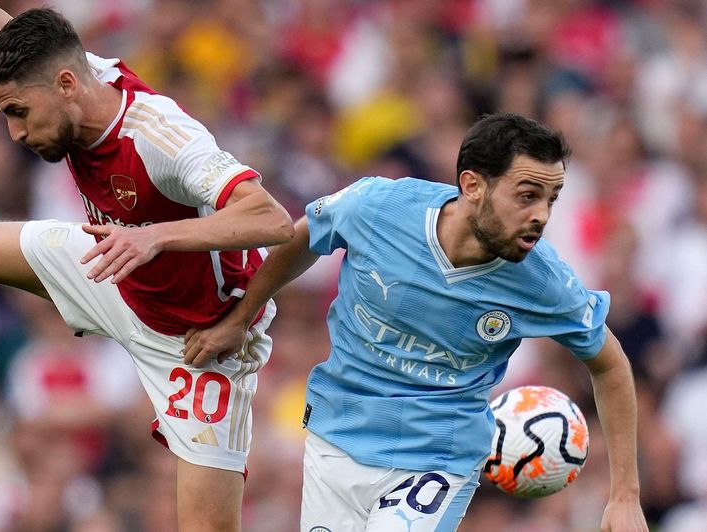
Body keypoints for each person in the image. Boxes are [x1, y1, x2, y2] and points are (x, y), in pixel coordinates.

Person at [0, 2, 294, 531]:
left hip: (203, 338)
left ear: (66, 86)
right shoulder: (67, 72)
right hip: (109, 266)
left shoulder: (161, 136)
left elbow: (270, 218)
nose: (15, 133)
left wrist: (156, 237)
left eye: (18, 112)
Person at [184, 114, 648, 531]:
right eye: (528, 196)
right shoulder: (377, 208)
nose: (542, 216)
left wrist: (625, 495)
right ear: (473, 186)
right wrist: (241, 319)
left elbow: (609, 364)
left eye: (552, 198)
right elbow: (305, 234)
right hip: (336, 437)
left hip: (437, 460)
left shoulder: (543, 281)